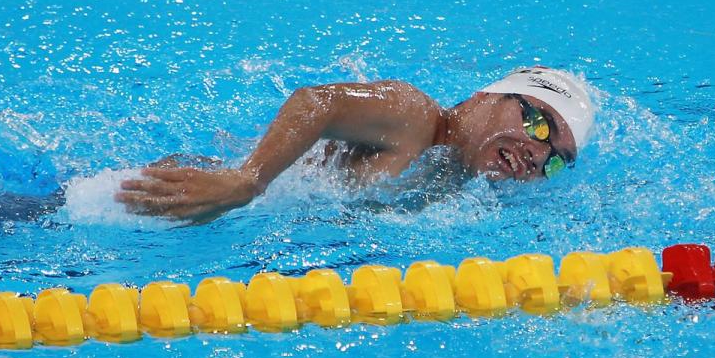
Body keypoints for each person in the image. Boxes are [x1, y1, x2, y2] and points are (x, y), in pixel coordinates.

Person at [115, 66, 595, 220]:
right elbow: (318, 103)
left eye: (556, 160)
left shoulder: (455, 180)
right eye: (539, 125)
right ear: (483, 97)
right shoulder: (417, 118)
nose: (538, 153)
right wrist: (247, 180)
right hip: (172, 189)